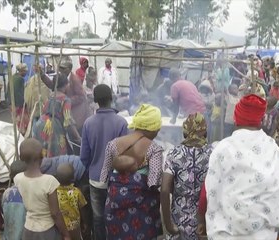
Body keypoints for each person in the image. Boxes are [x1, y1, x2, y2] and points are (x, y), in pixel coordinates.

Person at [205, 94, 279, 239]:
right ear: (260, 121)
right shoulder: (275, 150)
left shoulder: (222, 148)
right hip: (263, 235)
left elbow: (212, 190)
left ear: (236, 119)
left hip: (226, 233)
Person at [101, 104, 164, 240]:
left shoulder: (112, 144)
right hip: (142, 214)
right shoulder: (154, 149)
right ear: (152, 127)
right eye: (157, 127)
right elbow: (154, 182)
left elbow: (103, 177)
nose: (158, 131)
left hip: (114, 208)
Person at [80, 84, 128, 240]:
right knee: (116, 214)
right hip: (115, 179)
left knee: (98, 217)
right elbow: (123, 154)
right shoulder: (121, 122)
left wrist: (93, 168)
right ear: (111, 98)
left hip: (95, 179)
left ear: (95, 101)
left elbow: (84, 156)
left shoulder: (88, 123)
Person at [161, 113, 213, 240]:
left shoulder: (174, 153)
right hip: (204, 223)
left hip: (178, 222)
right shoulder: (213, 154)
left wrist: (168, 225)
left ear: (184, 132)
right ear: (205, 132)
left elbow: (164, 189)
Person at [14, 139, 71, 240]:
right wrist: (65, 234)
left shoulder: (18, 178)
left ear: (21, 158)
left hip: (28, 230)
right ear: (41, 157)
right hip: (47, 231)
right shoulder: (49, 181)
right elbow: (55, 213)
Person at [33, 74, 81, 157]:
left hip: (40, 124)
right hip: (53, 128)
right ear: (66, 85)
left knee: (43, 152)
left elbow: (44, 110)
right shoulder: (65, 100)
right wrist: (78, 137)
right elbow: (68, 121)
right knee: (57, 154)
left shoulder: (51, 96)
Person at [41, 59, 92, 135]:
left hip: (77, 113)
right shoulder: (61, 77)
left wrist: (66, 101)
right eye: (60, 68)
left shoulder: (74, 80)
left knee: (75, 132)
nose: (60, 70)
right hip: (67, 111)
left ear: (68, 69)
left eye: (62, 68)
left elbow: (81, 97)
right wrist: (42, 75)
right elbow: (53, 85)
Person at [56, 163, 87, 240]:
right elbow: (82, 209)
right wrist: (84, 222)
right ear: (73, 178)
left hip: (60, 226)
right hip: (74, 226)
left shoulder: (54, 192)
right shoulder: (77, 192)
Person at [2, 160, 27, 240]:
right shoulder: (29, 191)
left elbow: (4, 211)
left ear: (11, 176)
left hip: (9, 235)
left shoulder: (6, 193)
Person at [8, 63, 29, 135]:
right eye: (25, 71)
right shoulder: (20, 79)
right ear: (22, 71)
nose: (26, 73)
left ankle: (17, 132)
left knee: (15, 120)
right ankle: (21, 134)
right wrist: (24, 104)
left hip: (11, 103)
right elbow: (20, 93)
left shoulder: (13, 77)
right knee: (21, 120)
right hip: (18, 104)